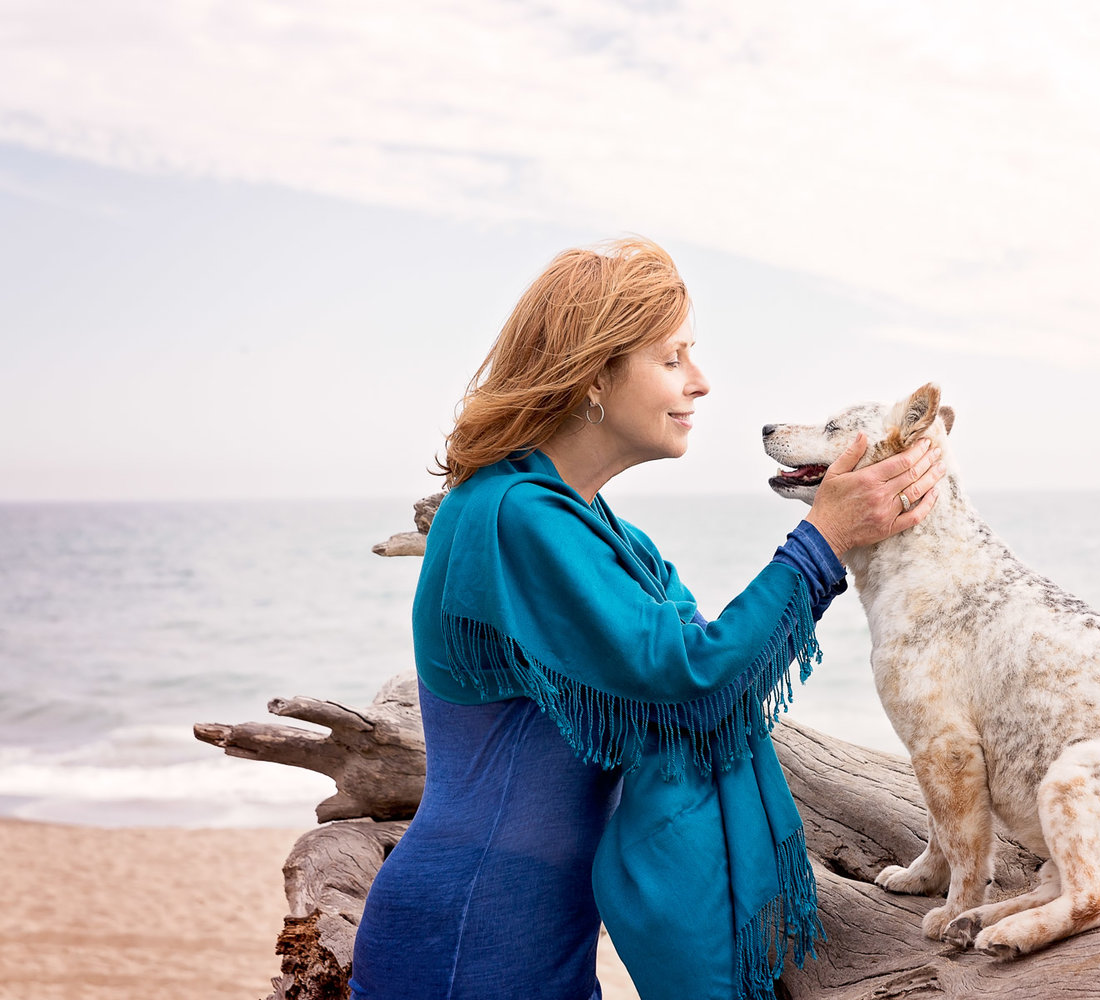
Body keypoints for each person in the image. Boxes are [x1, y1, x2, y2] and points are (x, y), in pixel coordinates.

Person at [348, 237, 946, 1000]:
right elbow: (689, 681)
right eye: (673, 359)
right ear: (594, 373)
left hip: (548, 952)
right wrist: (821, 541)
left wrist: (835, 547)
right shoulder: (511, 515)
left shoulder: (611, 539)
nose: (700, 383)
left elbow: (714, 667)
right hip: (465, 947)